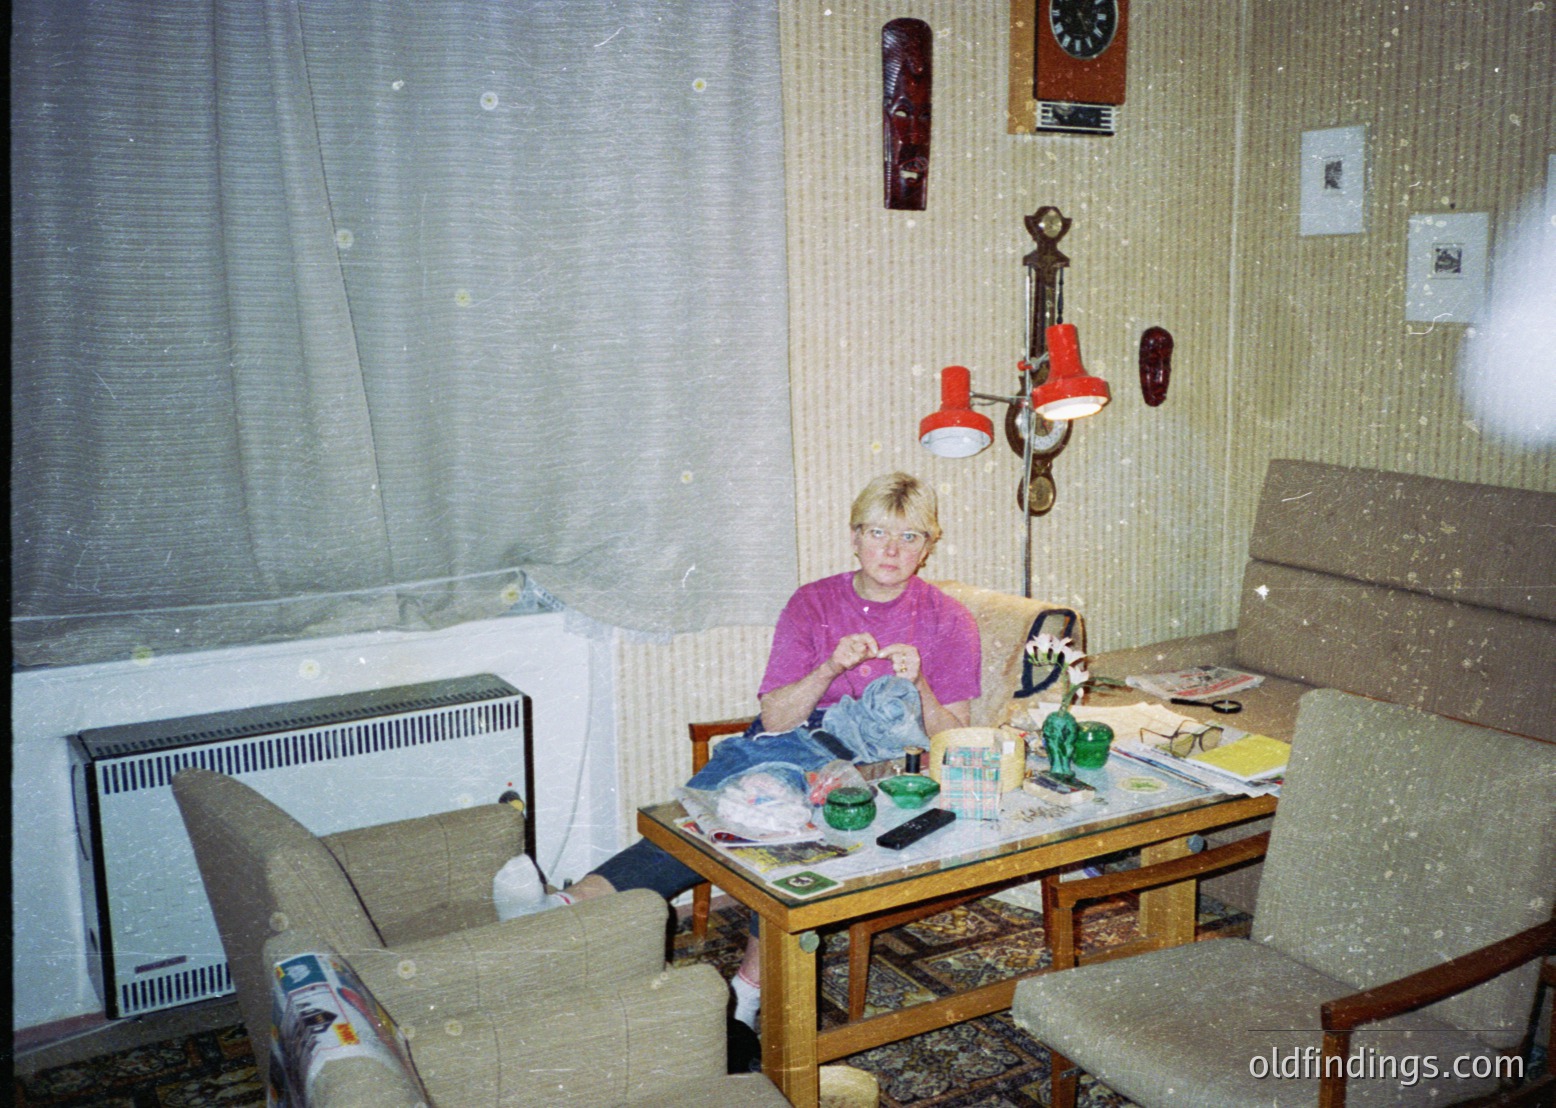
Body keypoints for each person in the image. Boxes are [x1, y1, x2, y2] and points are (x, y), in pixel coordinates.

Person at [506, 472, 981, 1030]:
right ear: (854, 537)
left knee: (777, 838)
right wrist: (830, 666)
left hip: (877, 768)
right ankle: (559, 910)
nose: (892, 551)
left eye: (909, 538)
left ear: (929, 546)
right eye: (878, 532)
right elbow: (777, 716)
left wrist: (921, 683)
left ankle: (744, 998)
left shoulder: (949, 619)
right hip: (791, 741)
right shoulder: (813, 602)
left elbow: (954, 738)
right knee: (704, 825)